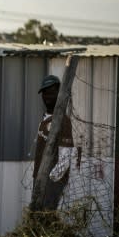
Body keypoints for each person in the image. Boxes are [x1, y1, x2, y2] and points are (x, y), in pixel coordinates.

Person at [33, 74, 75, 211]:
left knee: (46, 215)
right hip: (40, 179)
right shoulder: (45, 119)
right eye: (45, 92)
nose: (48, 96)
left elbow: (65, 159)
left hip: (51, 182)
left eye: (52, 92)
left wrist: (48, 181)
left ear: (59, 93)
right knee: (36, 215)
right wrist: (39, 180)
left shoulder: (63, 121)